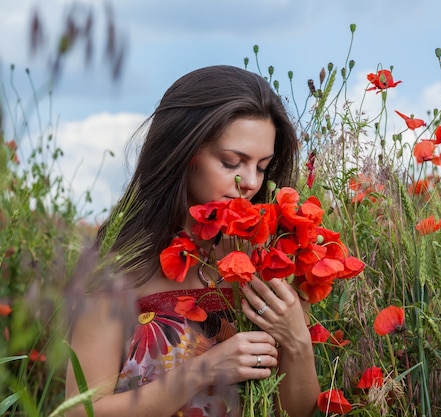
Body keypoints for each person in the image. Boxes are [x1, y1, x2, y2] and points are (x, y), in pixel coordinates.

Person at [65, 65, 320, 417]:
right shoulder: (122, 267)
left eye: (262, 167)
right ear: (186, 153)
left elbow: (297, 412)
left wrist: (296, 340)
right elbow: (79, 412)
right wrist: (205, 369)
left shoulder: (268, 260)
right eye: (232, 162)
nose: (250, 182)